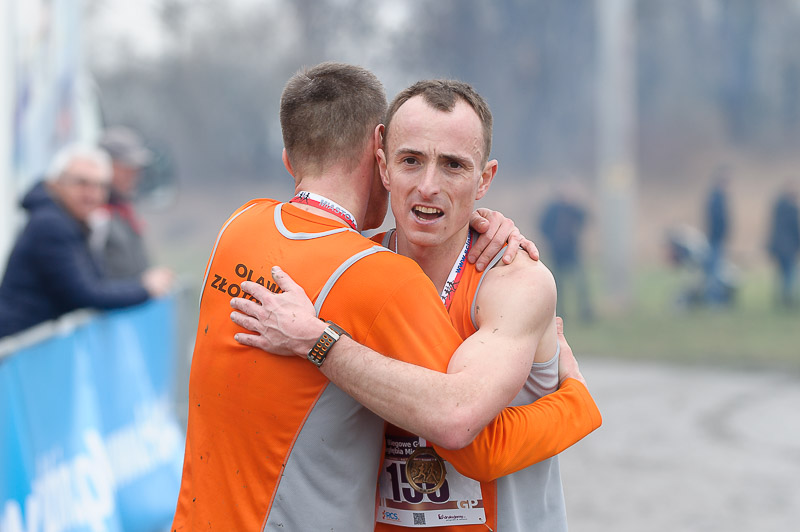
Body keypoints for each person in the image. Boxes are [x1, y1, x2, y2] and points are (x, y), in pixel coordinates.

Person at [172, 62, 599, 531]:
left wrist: (319, 342)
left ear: (484, 179)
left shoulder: (515, 281)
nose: (429, 185)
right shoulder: (359, 267)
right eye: (411, 160)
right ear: (383, 164)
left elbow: (463, 426)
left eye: (454, 165)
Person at [0, 144, 173, 339]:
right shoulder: (50, 223)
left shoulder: (71, 220)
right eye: (81, 183)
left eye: (100, 186)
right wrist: (144, 289)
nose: (92, 194)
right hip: (18, 346)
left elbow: (95, 282)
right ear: (56, 183)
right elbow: (85, 293)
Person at [92, 126, 155, 279]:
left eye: (137, 169)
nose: (135, 175)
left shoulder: (124, 208)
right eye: (126, 168)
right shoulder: (91, 214)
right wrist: (143, 287)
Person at [539, 184, 593, 321]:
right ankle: (559, 313)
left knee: (581, 281)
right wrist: (552, 240)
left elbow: (585, 218)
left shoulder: (574, 208)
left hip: (572, 250)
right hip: (557, 252)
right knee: (558, 285)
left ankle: (586, 313)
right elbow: (542, 226)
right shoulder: (552, 209)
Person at [767, 181, 800, 307]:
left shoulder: (778, 207)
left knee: (781, 273)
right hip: (789, 247)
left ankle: (780, 298)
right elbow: (795, 229)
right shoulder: (792, 209)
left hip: (777, 246)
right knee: (789, 273)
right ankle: (787, 299)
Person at [704, 167, 731, 305]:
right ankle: (713, 300)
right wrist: (720, 234)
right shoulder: (716, 198)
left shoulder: (718, 197)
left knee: (715, 270)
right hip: (715, 239)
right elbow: (716, 220)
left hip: (717, 239)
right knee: (714, 271)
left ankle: (715, 298)